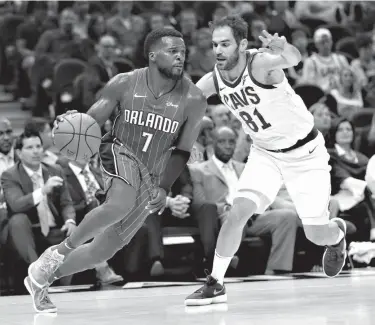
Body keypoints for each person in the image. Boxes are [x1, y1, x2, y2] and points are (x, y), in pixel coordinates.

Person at [25, 28, 207, 313]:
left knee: (104, 249)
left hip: (151, 172)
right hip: (118, 150)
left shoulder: (194, 99)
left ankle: (41, 276)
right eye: (173, 51)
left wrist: (164, 186)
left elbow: (183, 150)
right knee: (119, 202)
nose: (180, 57)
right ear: (152, 55)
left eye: (183, 52)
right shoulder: (124, 82)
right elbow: (94, 119)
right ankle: (57, 253)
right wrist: (74, 121)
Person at [184, 15, 347, 306]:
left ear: (242, 44)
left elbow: (294, 59)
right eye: (214, 45)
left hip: (305, 153)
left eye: (225, 44)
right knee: (238, 212)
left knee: (314, 233)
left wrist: (284, 49)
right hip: (264, 154)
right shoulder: (214, 79)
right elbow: (188, 101)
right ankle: (215, 283)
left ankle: (336, 236)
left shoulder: (259, 63)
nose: (218, 50)